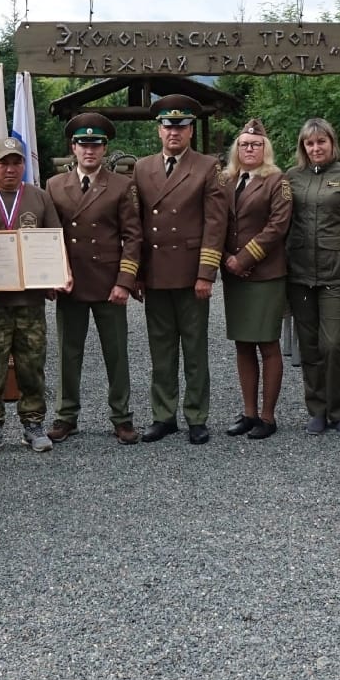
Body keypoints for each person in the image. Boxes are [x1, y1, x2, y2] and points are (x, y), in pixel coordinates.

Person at [132, 95, 229, 445]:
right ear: (159, 130)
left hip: (190, 273)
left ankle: (197, 416)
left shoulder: (208, 166)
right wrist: (137, 273)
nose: (174, 132)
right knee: (160, 349)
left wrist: (206, 273)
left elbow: (215, 224)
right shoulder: (142, 168)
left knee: (194, 348)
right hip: (157, 271)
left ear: (190, 131)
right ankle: (163, 415)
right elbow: (138, 224)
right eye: (169, 126)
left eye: (182, 126)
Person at [0, 137, 67, 455]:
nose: (10, 168)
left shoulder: (39, 198)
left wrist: (57, 275)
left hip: (29, 299)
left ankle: (33, 424)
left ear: (24, 165)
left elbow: (53, 241)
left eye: (16, 162)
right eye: (4, 162)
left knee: (31, 364)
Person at [46, 113, 143, 445]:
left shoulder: (121, 185)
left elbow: (133, 237)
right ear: (73, 148)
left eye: (96, 145)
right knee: (68, 353)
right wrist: (54, 275)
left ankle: (121, 416)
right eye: (83, 144)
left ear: (105, 149)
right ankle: (66, 415)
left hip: (108, 283)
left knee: (116, 353)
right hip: (71, 281)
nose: (90, 151)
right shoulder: (54, 185)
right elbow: (50, 236)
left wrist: (125, 281)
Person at [285, 118, 340, 435]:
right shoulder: (291, 178)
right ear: (303, 147)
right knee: (309, 347)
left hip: (336, 274)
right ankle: (316, 409)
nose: (316, 148)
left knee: (333, 344)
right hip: (300, 274)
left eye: (321, 142)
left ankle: (338, 410)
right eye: (310, 143)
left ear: (332, 143)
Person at [219, 119, 293, 441]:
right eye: (245, 144)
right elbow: (215, 222)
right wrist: (225, 259)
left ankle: (268, 416)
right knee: (243, 344)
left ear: (266, 149)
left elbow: (278, 226)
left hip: (265, 274)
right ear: (237, 149)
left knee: (267, 343)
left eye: (256, 144)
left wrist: (244, 259)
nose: (250, 149)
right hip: (234, 274)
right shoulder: (226, 180)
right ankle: (248, 412)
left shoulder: (277, 180)